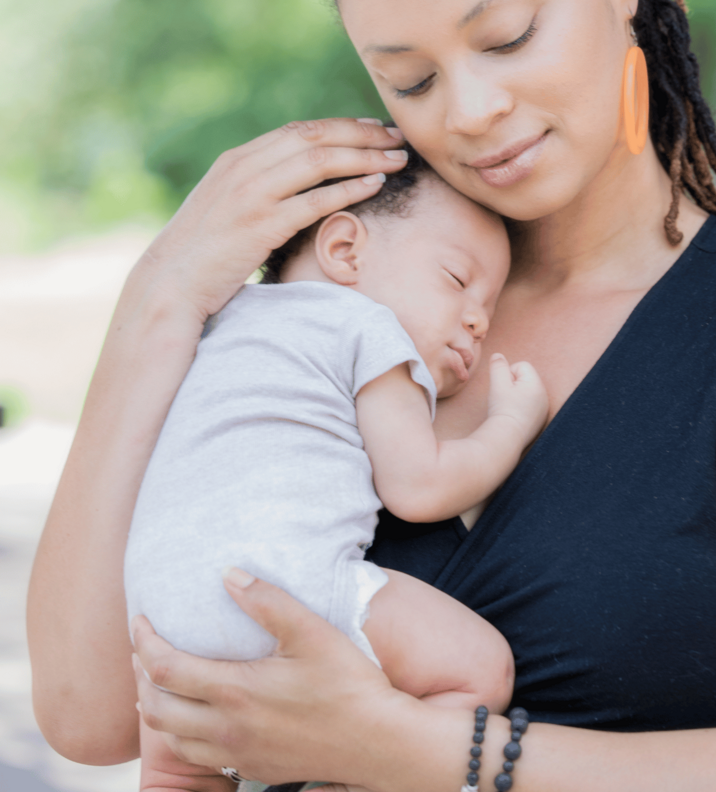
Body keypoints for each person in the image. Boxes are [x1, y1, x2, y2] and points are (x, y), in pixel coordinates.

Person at [28, 0, 716, 791]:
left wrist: (426, 751)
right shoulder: (332, 299)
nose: (470, 109)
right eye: (410, 78)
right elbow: (93, 711)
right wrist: (164, 294)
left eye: (508, 34)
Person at [125, 154, 547, 792]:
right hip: (288, 589)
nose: (478, 320)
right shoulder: (367, 327)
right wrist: (511, 425)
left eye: (488, 306)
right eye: (458, 279)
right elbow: (418, 486)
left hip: (160, 612)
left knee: (179, 772)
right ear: (345, 249)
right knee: (478, 672)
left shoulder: (217, 323)